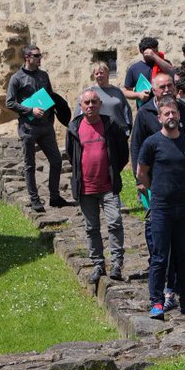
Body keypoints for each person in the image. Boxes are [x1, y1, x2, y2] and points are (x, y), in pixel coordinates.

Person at [136, 98, 185, 318]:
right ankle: (157, 302)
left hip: (184, 206)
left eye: (173, 112)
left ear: (179, 115)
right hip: (161, 208)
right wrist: (156, 190)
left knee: (184, 255)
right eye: (166, 113)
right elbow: (141, 173)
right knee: (159, 256)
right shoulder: (151, 143)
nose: (171, 117)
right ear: (159, 118)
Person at [66, 88, 129, 285]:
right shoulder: (74, 128)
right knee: (91, 228)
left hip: (108, 185)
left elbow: (122, 153)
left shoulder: (111, 125)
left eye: (94, 102)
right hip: (86, 187)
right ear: (81, 106)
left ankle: (116, 264)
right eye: (87, 102)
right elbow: (71, 154)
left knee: (115, 222)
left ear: (100, 105)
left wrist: (113, 170)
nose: (91, 105)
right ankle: (98, 264)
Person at [6, 44, 71, 212]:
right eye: (36, 55)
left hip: (46, 127)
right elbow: (10, 102)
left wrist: (56, 115)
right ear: (27, 57)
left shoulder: (44, 75)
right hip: (28, 128)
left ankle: (55, 197)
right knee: (30, 165)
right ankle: (34, 199)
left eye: (40, 55)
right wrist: (30, 110)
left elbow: (49, 97)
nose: (40, 58)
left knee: (56, 161)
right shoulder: (16, 78)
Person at [79, 61, 132, 132]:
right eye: (96, 73)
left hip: (119, 132)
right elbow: (79, 114)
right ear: (94, 76)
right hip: (97, 133)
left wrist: (127, 129)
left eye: (101, 73)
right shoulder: (88, 93)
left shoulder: (117, 92)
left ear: (107, 73)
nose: (99, 75)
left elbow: (126, 112)